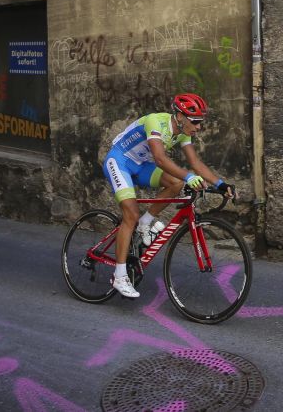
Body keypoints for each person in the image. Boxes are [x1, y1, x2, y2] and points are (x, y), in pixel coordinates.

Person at [101, 93, 235, 298]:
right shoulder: (156, 122)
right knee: (130, 213)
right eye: (195, 121)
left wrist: (220, 183)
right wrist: (190, 177)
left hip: (140, 165)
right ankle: (119, 276)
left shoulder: (183, 132)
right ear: (180, 116)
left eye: (201, 122)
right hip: (119, 161)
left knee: (176, 183)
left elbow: (195, 162)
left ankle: (145, 223)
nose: (199, 127)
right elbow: (161, 159)